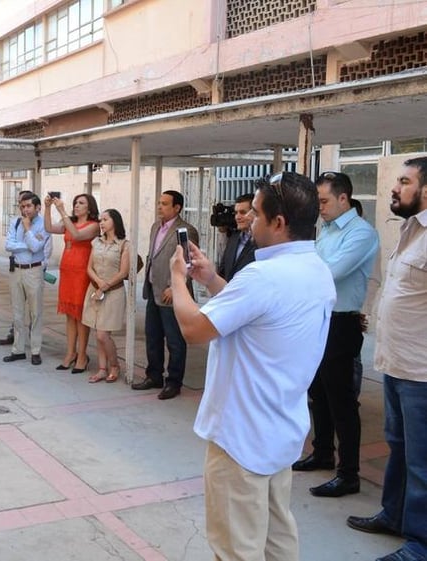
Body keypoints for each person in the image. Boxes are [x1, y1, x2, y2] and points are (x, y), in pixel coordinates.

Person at [170, 171, 336, 561]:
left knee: (236, 549)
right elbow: (257, 314)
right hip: (278, 430)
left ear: (279, 223)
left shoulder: (263, 276)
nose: (248, 221)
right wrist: (211, 279)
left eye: (256, 214)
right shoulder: (316, 270)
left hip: (241, 437)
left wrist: (179, 279)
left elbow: (194, 329)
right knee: (277, 539)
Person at [347, 157, 427, 561]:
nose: (394, 188)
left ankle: (420, 544)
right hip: (396, 364)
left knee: (422, 461)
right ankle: (393, 515)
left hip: (422, 372)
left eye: (404, 181)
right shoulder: (409, 230)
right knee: (399, 447)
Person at [292, 171, 379, 498]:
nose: (320, 208)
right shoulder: (326, 230)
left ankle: (348, 474)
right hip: (316, 319)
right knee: (318, 393)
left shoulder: (361, 234)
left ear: (344, 198)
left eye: (324, 201)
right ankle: (323, 451)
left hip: (340, 323)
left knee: (342, 400)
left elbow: (328, 273)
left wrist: (308, 268)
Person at [132, 190, 199, 399]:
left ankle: (174, 382)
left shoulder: (186, 230)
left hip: (172, 293)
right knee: (152, 336)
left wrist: (175, 286)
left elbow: (189, 261)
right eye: (159, 203)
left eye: (164, 204)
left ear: (176, 207)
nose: (159, 207)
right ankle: (154, 376)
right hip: (153, 289)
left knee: (174, 340)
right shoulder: (155, 227)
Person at [44, 192, 100, 373]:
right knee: (69, 313)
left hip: (82, 271)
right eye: (75, 202)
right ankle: (70, 352)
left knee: (81, 315)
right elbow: (49, 228)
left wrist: (62, 210)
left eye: (81, 203)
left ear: (89, 207)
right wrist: (47, 207)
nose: (76, 205)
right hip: (67, 270)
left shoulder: (93, 225)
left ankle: (82, 355)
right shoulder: (70, 221)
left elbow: (76, 235)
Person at [0, 190, 53, 346]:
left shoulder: (44, 225)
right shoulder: (15, 221)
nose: (25, 210)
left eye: (29, 206)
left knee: (35, 313)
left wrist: (28, 229)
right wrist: (27, 245)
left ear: (38, 207)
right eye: (22, 206)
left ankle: (35, 349)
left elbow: (36, 248)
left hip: (34, 270)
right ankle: (18, 349)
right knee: (17, 313)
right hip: (16, 270)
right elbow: (8, 245)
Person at [82, 209, 130, 384]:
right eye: (100, 220)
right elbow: (89, 268)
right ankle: (102, 369)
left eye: (105, 219)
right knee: (97, 330)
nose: (101, 223)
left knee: (103, 334)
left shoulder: (124, 244)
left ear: (115, 221)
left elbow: (124, 271)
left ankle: (115, 365)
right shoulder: (96, 242)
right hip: (95, 290)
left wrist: (106, 285)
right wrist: (98, 283)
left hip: (113, 292)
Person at [217, 193, 256, 282]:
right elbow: (222, 271)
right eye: (236, 213)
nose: (237, 217)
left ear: (254, 213)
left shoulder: (264, 242)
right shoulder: (233, 239)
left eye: (243, 212)